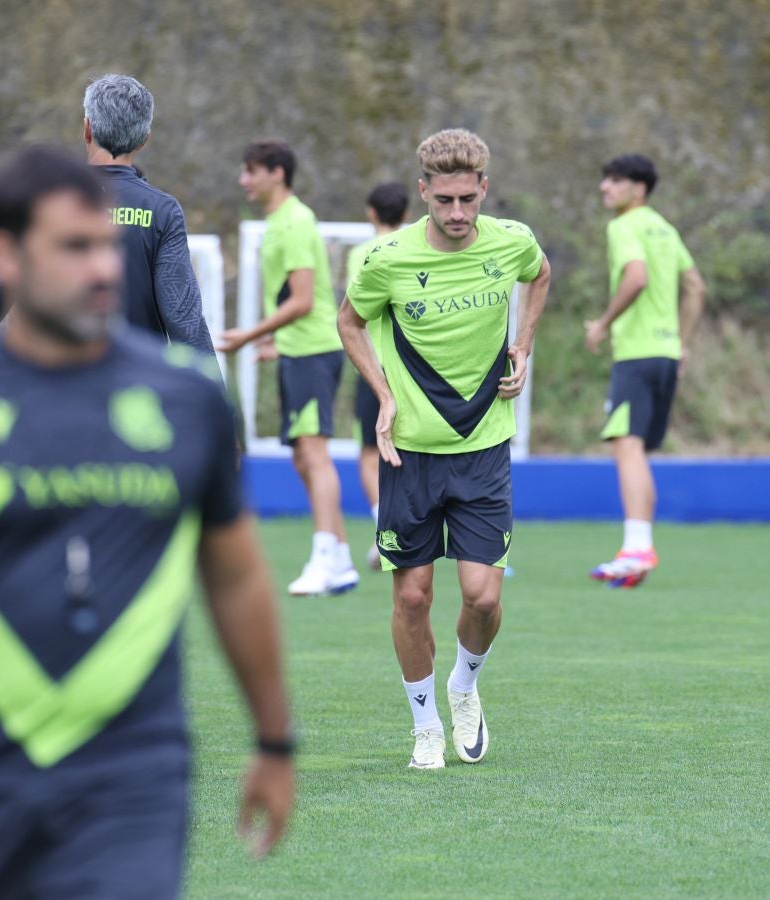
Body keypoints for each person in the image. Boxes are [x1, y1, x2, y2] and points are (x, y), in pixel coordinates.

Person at [0, 144, 293, 899]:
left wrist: (275, 740)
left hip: (134, 782)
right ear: (3, 256)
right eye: (75, 247)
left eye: (105, 245)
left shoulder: (188, 401)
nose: (104, 267)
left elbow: (237, 580)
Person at [338, 129, 551, 769]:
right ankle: (424, 723)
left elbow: (539, 276)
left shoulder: (512, 242)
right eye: (444, 201)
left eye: (468, 199)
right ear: (423, 192)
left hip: (484, 448)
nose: (457, 214)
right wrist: (382, 394)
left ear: (484, 188)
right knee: (411, 597)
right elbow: (349, 321)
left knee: (484, 597)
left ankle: (464, 684)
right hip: (409, 453)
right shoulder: (385, 260)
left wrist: (524, 343)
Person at [0, 73, 214, 355]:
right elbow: (183, 318)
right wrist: (213, 394)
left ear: (87, 129)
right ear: (144, 139)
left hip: (55, 382)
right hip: (138, 387)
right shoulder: (161, 211)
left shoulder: (45, 202)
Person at [219, 140, 358, 596]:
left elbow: (303, 300)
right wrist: (275, 342)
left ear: (276, 173)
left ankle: (325, 559)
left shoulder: (296, 221)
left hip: (314, 351)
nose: (244, 180)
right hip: (299, 350)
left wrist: (249, 334)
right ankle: (338, 557)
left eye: (250, 171)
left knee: (314, 454)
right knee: (302, 455)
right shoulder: (278, 222)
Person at [585, 154, 705, 588]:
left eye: (614, 181)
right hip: (666, 353)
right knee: (635, 450)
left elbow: (635, 277)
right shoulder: (665, 227)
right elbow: (696, 287)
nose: (604, 187)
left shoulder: (624, 226)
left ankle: (636, 548)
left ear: (639, 188)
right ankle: (640, 547)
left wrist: (602, 323)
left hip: (636, 354)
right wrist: (682, 343)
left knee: (626, 445)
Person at [345, 182, 410, 571]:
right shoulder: (416, 248)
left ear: (371, 212)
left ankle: (386, 532)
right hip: (413, 366)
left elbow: (358, 310)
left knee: (371, 453)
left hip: (375, 367)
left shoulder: (363, 253)